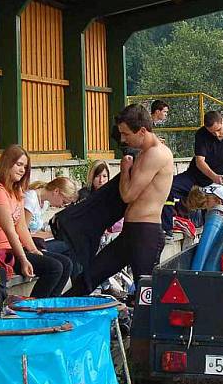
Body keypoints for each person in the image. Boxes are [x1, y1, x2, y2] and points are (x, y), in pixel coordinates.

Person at [67, 104, 174, 295]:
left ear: (142, 131)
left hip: (145, 232)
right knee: (89, 277)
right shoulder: (144, 153)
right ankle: (56, 311)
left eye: (126, 134)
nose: (123, 139)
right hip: (131, 231)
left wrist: (125, 169)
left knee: (145, 293)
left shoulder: (156, 154)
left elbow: (128, 195)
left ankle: (142, 324)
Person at [0, 145, 70, 298]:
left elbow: (21, 227)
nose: (22, 170)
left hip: (14, 250)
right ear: (7, 164)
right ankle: (32, 309)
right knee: (54, 267)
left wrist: (34, 250)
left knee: (66, 263)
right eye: (19, 164)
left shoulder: (17, 193)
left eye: (25, 166)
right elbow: (10, 231)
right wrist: (23, 259)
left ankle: (50, 308)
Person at [161, 111, 223, 234]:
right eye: (212, 132)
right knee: (167, 187)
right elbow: (200, 161)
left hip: (220, 183)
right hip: (196, 177)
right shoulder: (201, 134)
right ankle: (167, 229)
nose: (216, 134)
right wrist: (214, 177)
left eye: (218, 130)